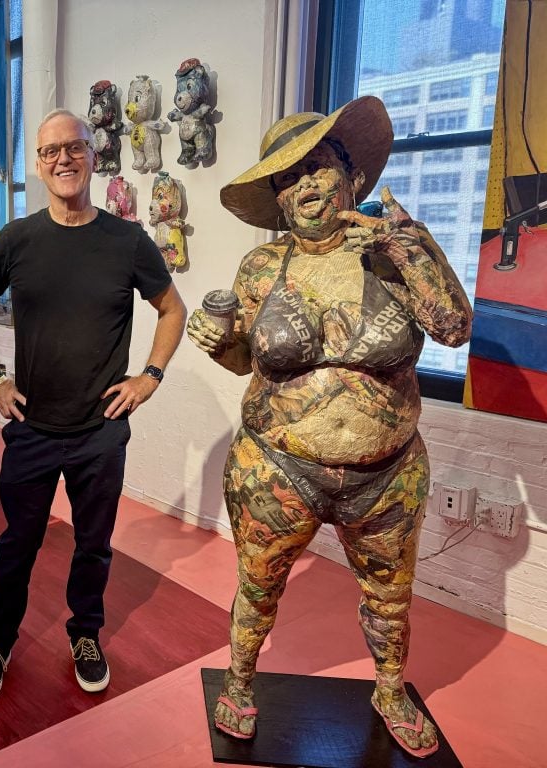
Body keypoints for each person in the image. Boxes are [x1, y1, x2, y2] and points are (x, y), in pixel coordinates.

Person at [185, 96, 472, 759]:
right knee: (258, 585)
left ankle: (391, 689)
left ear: (353, 178)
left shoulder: (391, 253)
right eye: (289, 178)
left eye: (318, 169)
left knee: (390, 598)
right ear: (278, 199)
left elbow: (454, 328)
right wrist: (219, 339)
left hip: (389, 473)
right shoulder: (262, 268)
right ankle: (240, 680)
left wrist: (412, 249)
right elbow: (245, 361)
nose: (306, 187)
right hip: (277, 468)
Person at [0, 108, 187, 703]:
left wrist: (150, 377)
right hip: (32, 427)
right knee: (17, 544)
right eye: (51, 151)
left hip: (100, 431)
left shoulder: (127, 241)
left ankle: (85, 633)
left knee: (93, 546)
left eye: (74, 148)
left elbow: (172, 309)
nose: (64, 159)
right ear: (38, 165)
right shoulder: (17, 239)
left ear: (92, 154)